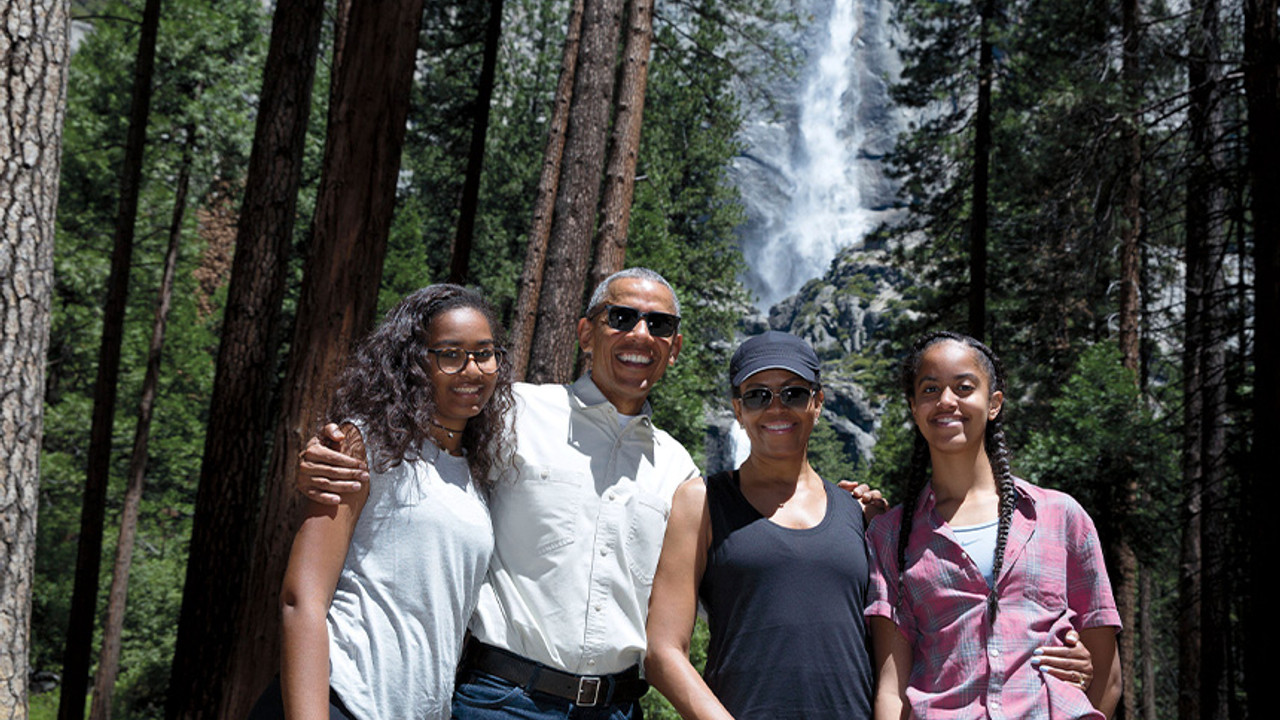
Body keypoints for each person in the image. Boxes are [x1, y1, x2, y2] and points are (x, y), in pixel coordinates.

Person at [299, 268, 697, 720]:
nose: (641, 334)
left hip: (616, 709)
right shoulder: (509, 413)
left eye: (659, 324)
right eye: (621, 317)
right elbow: (407, 437)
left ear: (674, 348)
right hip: (503, 701)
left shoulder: (679, 470)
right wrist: (327, 454)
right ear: (586, 333)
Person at [253, 284, 515, 720]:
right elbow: (302, 599)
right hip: (339, 699)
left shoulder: (477, 474)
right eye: (450, 354)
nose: (472, 369)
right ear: (413, 362)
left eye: (484, 354)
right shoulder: (365, 444)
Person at [865, 331, 1123, 720]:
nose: (946, 400)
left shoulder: (1061, 517)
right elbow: (891, 690)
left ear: (994, 403)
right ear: (914, 408)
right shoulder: (891, 535)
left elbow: (1107, 676)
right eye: (930, 389)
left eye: (964, 387)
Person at [644, 331, 875, 719]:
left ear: (817, 402)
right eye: (757, 396)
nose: (776, 408)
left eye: (793, 393)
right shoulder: (701, 501)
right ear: (738, 410)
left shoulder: (859, 512)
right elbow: (662, 651)